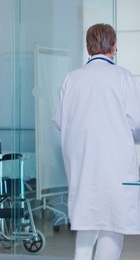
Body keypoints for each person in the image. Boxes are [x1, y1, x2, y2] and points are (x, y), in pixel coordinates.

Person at [53, 23, 140, 260]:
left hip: (83, 163)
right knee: (113, 226)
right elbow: (137, 124)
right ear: (114, 46)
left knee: (87, 223)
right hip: (116, 165)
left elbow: (60, 121)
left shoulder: (72, 78)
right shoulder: (123, 77)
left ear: (88, 46)